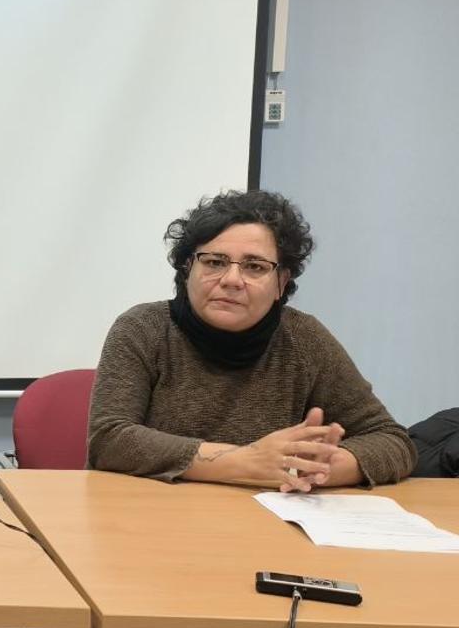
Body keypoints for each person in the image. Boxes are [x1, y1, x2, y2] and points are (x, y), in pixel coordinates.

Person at [87, 190, 415, 491]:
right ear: (188, 268)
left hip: (265, 531)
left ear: (281, 283)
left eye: (254, 267)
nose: (231, 280)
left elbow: (392, 440)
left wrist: (316, 467)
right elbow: (110, 440)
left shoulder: (304, 339)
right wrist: (245, 462)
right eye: (214, 262)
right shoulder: (142, 328)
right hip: (148, 524)